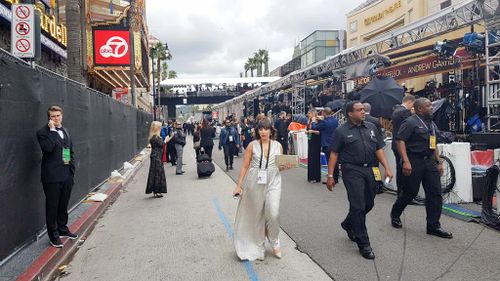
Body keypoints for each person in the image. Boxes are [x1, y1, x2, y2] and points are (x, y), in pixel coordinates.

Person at [326, 101, 393, 260]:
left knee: (368, 203)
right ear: (350, 113)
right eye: (359, 110)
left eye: (363, 109)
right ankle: (364, 243)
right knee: (358, 205)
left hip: (370, 169)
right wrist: (330, 176)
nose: (363, 112)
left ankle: (348, 223)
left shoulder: (371, 127)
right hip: (352, 170)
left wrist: (387, 168)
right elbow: (334, 154)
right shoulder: (341, 131)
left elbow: (378, 149)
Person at [390, 98, 453, 239]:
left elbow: (433, 143)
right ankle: (395, 214)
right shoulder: (410, 122)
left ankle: (433, 226)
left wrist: (439, 162)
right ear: (419, 109)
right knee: (410, 192)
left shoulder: (431, 124)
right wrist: (405, 161)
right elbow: (400, 141)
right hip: (414, 161)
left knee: (435, 194)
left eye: (431, 105)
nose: (431, 107)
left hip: (429, 162)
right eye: (428, 105)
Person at [233, 119, 288, 261]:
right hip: (254, 182)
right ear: (257, 131)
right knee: (256, 215)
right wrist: (238, 185)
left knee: (273, 212)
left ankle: (275, 242)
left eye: (266, 129)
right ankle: (259, 244)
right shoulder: (252, 145)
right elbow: (245, 166)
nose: (263, 132)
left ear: (271, 131)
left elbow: (280, 166)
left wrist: (285, 166)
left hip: (273, 181)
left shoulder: (277, 146)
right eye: (261, 129)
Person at [36, 105, 78, 248]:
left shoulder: (66, 130)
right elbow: (47, 149)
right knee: (52, 207)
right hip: (52, 177)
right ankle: (53, 235)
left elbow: (69, 150)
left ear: (62, 115)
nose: (56, 118)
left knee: (63, 205)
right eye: (53, 116)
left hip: (66, 175)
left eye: (58, 115)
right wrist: (53, 131)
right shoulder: (42, 132)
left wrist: (71, 170)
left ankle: (63, 229)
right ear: (49, 117)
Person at [391, 95, 415, 195]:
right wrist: (413, 114)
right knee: (404, 170)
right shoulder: (405, 112)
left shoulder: (396, 110)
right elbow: (411, 125)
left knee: (399, 168)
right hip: (402, 144)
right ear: (410, 102)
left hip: (395, 144)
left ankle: (400, 192)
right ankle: (404, 193)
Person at [311, 107, 339, 182]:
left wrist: (313, 121)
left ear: (324, 113)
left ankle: (331, 177)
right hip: (334, 142)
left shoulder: (325, 122)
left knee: (329, 161)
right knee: (335, 161)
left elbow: (315, 127)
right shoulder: (335, 120)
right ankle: (335, 177)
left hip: (326, 143)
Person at [363, 103, 384, 194]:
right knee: (375, 167)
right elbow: (379, 135)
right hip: (373, 146)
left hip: (362, 147)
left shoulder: (358, 119)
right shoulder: (375, 120)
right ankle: (377, 184)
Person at [146, 121, 170, 198]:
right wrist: (165, 140)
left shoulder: (153, 137)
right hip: (156, 156)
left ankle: (156, 190)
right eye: (160, 127)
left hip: (155, 156)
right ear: (157, 128)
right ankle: (157, 191)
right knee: (157, 173)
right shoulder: (155, 137)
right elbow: (162, 145)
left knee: (155, 173)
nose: (161, 128)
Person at [306, 109, 321, 183]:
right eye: (308, 113)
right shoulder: (309, 121)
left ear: (313, 114)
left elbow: (319, 132)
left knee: (315, 158)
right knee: (311, 158)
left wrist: (312, 131)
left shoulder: (317, 121)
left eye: (309, 113)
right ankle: (311, 176)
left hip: (316, 141)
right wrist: (307, 132)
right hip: (310, 140)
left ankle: (316, 176)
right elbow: (308, 130)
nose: (308, 115)